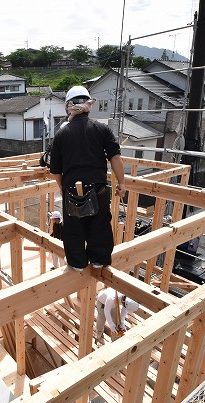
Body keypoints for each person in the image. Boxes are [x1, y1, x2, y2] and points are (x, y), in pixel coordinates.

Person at [49, 86, 127, 271]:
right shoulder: (102, 129)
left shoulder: (61, 135)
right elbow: (115, 157)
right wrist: (122, 184)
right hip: (97, 189)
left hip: (71, 190)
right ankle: (99, 260)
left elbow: (56, 171)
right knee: (99, 225)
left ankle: (77, 263)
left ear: (69, 107)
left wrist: (63, 189)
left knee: (74, 229)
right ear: (88, 105)